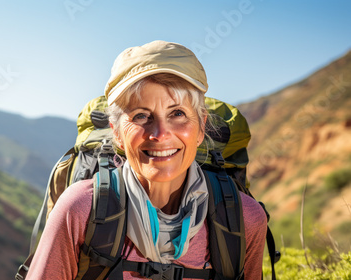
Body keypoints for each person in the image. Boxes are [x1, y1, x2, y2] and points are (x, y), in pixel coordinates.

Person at [26, 40, 267, 279]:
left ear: (201, 127)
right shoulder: (79, 209)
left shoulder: (245, 220)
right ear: (117, 133)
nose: (160, 134)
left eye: (178, 113)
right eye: (141, 115)